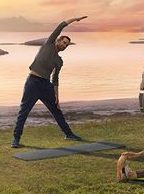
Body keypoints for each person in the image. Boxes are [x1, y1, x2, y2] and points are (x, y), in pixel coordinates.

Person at [11, 16, 87, 148]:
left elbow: (55, 78)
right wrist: (75, 19)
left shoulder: (59, 61)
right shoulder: (48, 44)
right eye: (63, 42)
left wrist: (57, 96)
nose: (63, 45)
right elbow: (60, 26)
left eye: (66, 45)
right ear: (57, 40)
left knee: (57, 110)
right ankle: (16, 139)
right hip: (32, 83)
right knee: (24, 111)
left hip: (46, 86)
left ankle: (68, 134)